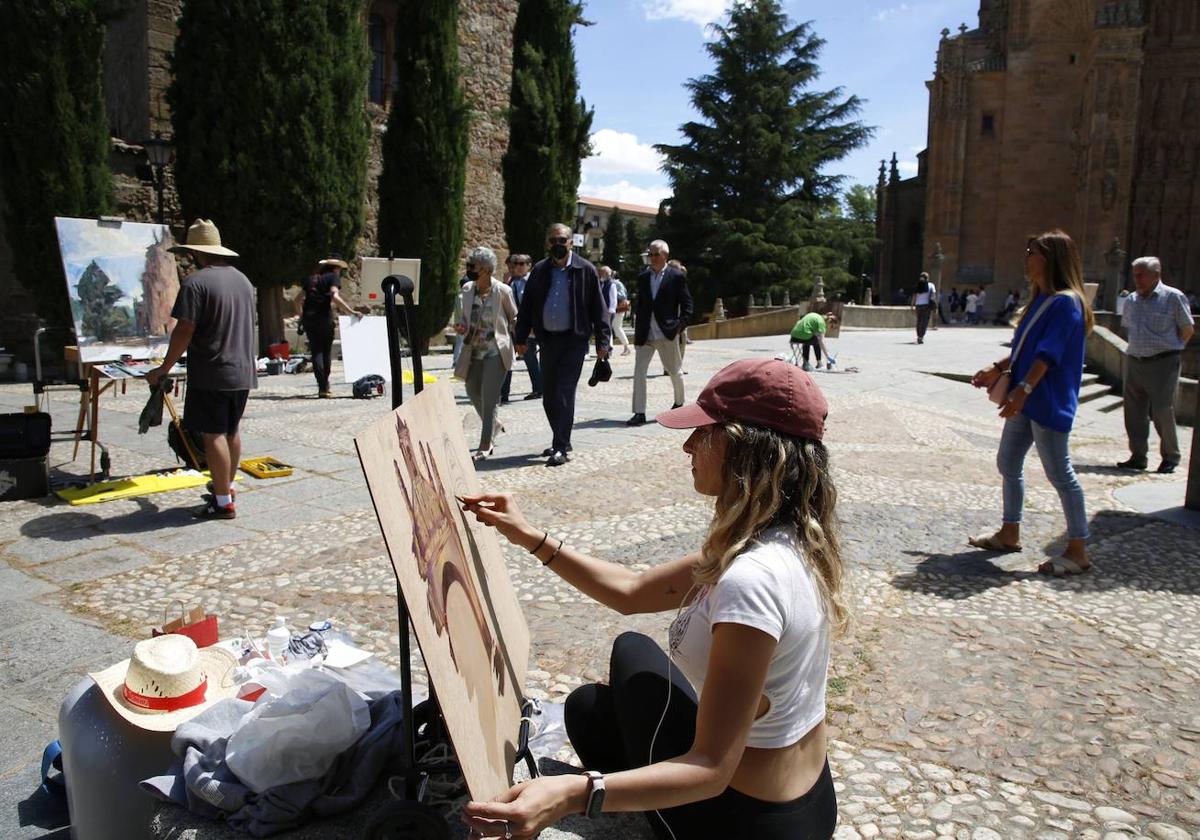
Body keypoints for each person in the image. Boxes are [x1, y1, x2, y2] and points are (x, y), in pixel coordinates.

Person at [460, 358, 843, 840]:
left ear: (745, 449)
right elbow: (632, 591)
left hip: (746, 821)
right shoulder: (779, 537)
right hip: (805, 795)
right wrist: (527, 535)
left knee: (601, 714)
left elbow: (710, 769)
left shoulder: (753, 579)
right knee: (592, 702)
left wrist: (572, 794)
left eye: (703, 433)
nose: (687, 446)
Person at [969, 230, 1094, 576]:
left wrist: (1022, 390)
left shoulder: (1067, 302)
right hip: (1026, 399)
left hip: (1046, 400)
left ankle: (1078, 548)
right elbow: (1024, 348)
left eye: (1032, 252)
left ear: (1051, 259)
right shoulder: (1042, 299)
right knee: (1008, 461)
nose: (1026, 257)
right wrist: (996, 369)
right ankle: (1010, 533)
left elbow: (1047, 355)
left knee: (1060, 473)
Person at [146, 219, 255, 520]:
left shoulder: (196, 283)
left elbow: (185, 329)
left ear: (195, 252)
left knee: (213, 434)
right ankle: (226, 487)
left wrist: (164, 368)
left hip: (212, 371)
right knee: (231, 431)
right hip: (242, 370)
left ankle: (222, 503)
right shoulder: (243, 281)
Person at [513, 223, 611, 467]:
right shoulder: (540, 270)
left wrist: (603, 342)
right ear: (548, 243)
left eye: (563, 240)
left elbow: (599, 309)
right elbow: (527, 306)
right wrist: (521, 337)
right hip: (547, 341)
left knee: (564, 392)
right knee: (549, 395)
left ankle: (560, 447)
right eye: (553, 240)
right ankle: (562, 439)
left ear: (571, 242)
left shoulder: (585, 270)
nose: (558, 244)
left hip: (574, 340)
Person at [1117, 256, 1195, 474]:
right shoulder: (1131, 300)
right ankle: (1138, 456)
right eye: (1135, 274)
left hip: (1163, 361)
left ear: (1156, 275)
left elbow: (1187, 329)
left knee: (1162, 410)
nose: (1137, 279)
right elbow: (1128, 328)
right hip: (1135, 360)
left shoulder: (1173, 297)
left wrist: (1173, 348)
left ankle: (1170, 456)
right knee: (1133, 411)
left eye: (1141, 275)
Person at [454, 247, 518, 461]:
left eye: (475, 267)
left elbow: (513, 317)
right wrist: (462, 326)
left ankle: (486, 443)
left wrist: (518, 341)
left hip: (496, 351)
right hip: (473, 350)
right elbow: (463, 318)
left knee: (489, 398)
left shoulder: (502, 291)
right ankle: (495, 425)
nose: (470, 270)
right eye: (469, 265)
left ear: (488, 269)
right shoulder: (466, 290)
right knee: (472, 390)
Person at [627, 241, 692, 426]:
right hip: (645, 334)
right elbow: (640, 304)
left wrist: (679, 326)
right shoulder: (643, 277)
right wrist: (638, 329)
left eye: (655, 254)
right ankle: (639, 412)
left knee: (675, 371)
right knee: (639, 372)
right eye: (650, 254)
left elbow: (688, 305)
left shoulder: (676, 276)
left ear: (665, 255)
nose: (652, 257)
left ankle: (679, 403)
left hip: (666, 333)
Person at [294, 254, 360, 398]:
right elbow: (334, 296)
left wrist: (301, 317)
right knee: (326, 352)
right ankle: (325, 385)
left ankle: (322, 387)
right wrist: (351, 311)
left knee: (316, 351)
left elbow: (297, 300)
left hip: (309, 320)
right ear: (336, 268)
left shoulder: (310, 279)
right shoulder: (332, 277)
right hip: (324, 318)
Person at [499, 254, 542, 403]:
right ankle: (503, 393)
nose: (516, 267)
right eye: (514, 264)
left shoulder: (533, 281)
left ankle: (539, 388)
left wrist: (531, 325)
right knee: (507, 358)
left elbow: (534, 305)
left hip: (528, 326)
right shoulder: (510, 282)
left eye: (521, 263)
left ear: (529, 265)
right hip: (512, 326)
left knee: (530, 358)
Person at [911, 272, 935, 344]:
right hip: (926, 306)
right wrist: (934, 306)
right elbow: (933, 295)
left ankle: (918, 336)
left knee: (919, 321)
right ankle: (921, 336)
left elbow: (914, 296)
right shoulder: (931, 285)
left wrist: (912, 305)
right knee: (924, 322)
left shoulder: (918, 285)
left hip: (918, 305)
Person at [612, 273, 631, 355]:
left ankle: (627, 347)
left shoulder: (617, 284)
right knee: (615, 328)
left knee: (617, 328)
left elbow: (622, 295)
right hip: (615, 308)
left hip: (618, 308)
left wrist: (612, 293)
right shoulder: (615, 283)